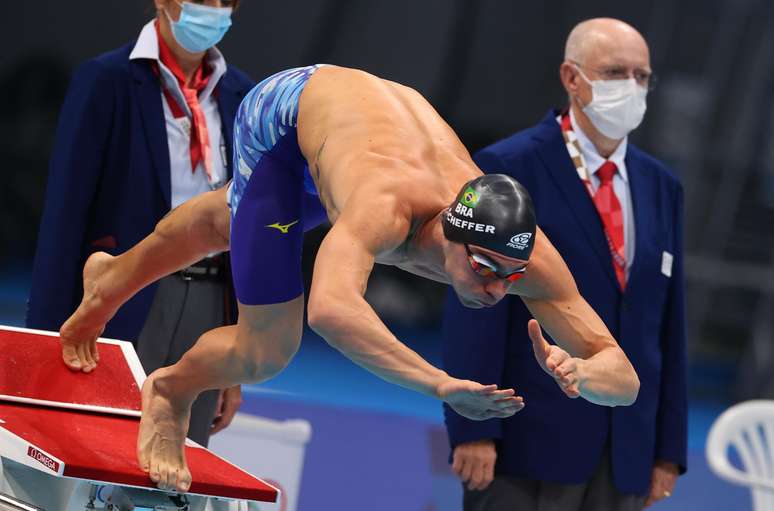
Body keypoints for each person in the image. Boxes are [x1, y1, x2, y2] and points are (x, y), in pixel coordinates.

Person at [59, 64, 641, 493]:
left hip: (364, 127)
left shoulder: (521, 252)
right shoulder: (384, 209)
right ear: (449, 232)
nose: (494, 289)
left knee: (236, 220)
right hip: (288, 118)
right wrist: (437, 384)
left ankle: (109, 277)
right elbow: (332, 310)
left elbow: (624, 377)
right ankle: (170, 390)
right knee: (267, 347)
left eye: (510, 277)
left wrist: (586, 372)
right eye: (483, 269)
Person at [443, 18, 686, 511]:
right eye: (616, 72)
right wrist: (473, 426)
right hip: (526, 440)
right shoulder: (509, 165)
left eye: (642, 76)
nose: (632, 87)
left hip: (624, 450)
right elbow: (474, 303)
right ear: (572, 78)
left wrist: (666, 450)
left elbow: (667, 323)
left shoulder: (662, 186)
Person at [26, 0, 255, 446]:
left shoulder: (241, 96)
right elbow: (65, 214)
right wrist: (45, 337)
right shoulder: (107, 80)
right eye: (202, 0)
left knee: (178, 463)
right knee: (94, 445)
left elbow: (247, 225)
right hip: (128, 290)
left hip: (212, 303)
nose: (214, 10)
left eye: (225, 1)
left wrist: (238, 359)